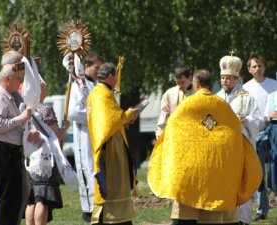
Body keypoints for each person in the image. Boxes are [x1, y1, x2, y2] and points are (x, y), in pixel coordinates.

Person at [148, 69, 262, 225]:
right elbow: (235, 132)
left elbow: (172, 130)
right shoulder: (223, 106)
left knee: (187, 212)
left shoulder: (186, 105)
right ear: (210, 84)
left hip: (192, 172)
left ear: (195, 84)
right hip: (216, 171)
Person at [0, 51, 33, 225]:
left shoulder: (8, 97)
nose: (20, 82)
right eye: (18, 79)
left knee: (14, 198)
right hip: (3, 150)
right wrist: (21, 118)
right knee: (7, 199)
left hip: (10, 150)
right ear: (7, 79)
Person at [87, 62, 140, 225]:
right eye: (115, 76)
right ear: (110, 76)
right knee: (113, 188)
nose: (117, 79)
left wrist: (125, 119)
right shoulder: (102, 94)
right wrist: (129, 114)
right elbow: (110, 122)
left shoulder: (99, 93)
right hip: (109, 152)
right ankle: (115, 220)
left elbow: (111, 121)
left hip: (111, 145)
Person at [216, 54, 262, 225]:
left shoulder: (247, 97)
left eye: (228, 78)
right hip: (222, 149)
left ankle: (242, 219)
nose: (225, 81)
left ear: (236, 78)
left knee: (242, 181)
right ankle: (226, 217)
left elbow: (258, 120)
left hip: (241, 148)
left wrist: (247, 120)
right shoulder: (216, 98)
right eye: (222, 78)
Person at [24, 80, 72, 225]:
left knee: (31, 198)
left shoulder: (25, 108)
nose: (46, 86)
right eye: (43, 86)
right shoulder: (45, 110)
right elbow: (56, 135)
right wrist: (65, 127)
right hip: (45, 160)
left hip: (29, 158)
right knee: (42, 199)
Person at [68, 52, 104, 222]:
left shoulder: (96, 86)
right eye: (96, 68)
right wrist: (96, 116)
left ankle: (99, 205)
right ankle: (89, 210)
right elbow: (73, 112)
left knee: (97, 170)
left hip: (96, 136)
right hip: (84, 137)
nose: (99, 71)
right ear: (87, 66)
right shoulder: (78, 85)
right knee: (88, 169)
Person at [243, 52, 277, 221]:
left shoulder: (274, 85)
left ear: (264, 67)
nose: (257, 69)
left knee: (274, 172)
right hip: (255, 134)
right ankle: (262, 208)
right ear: (249, 69)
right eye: (254, 66)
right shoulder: (245, 89)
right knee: (258, 173)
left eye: (260, 65)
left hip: (274, 132)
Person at [155, 65, 194, 138]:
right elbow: (164, 115)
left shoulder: (198, 92)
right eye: (177, 82)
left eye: (182, 82)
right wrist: (159, 134)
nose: (180, 85)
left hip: (193, 135)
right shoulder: (169, 94)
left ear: (190, 78)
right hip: (174, 135)